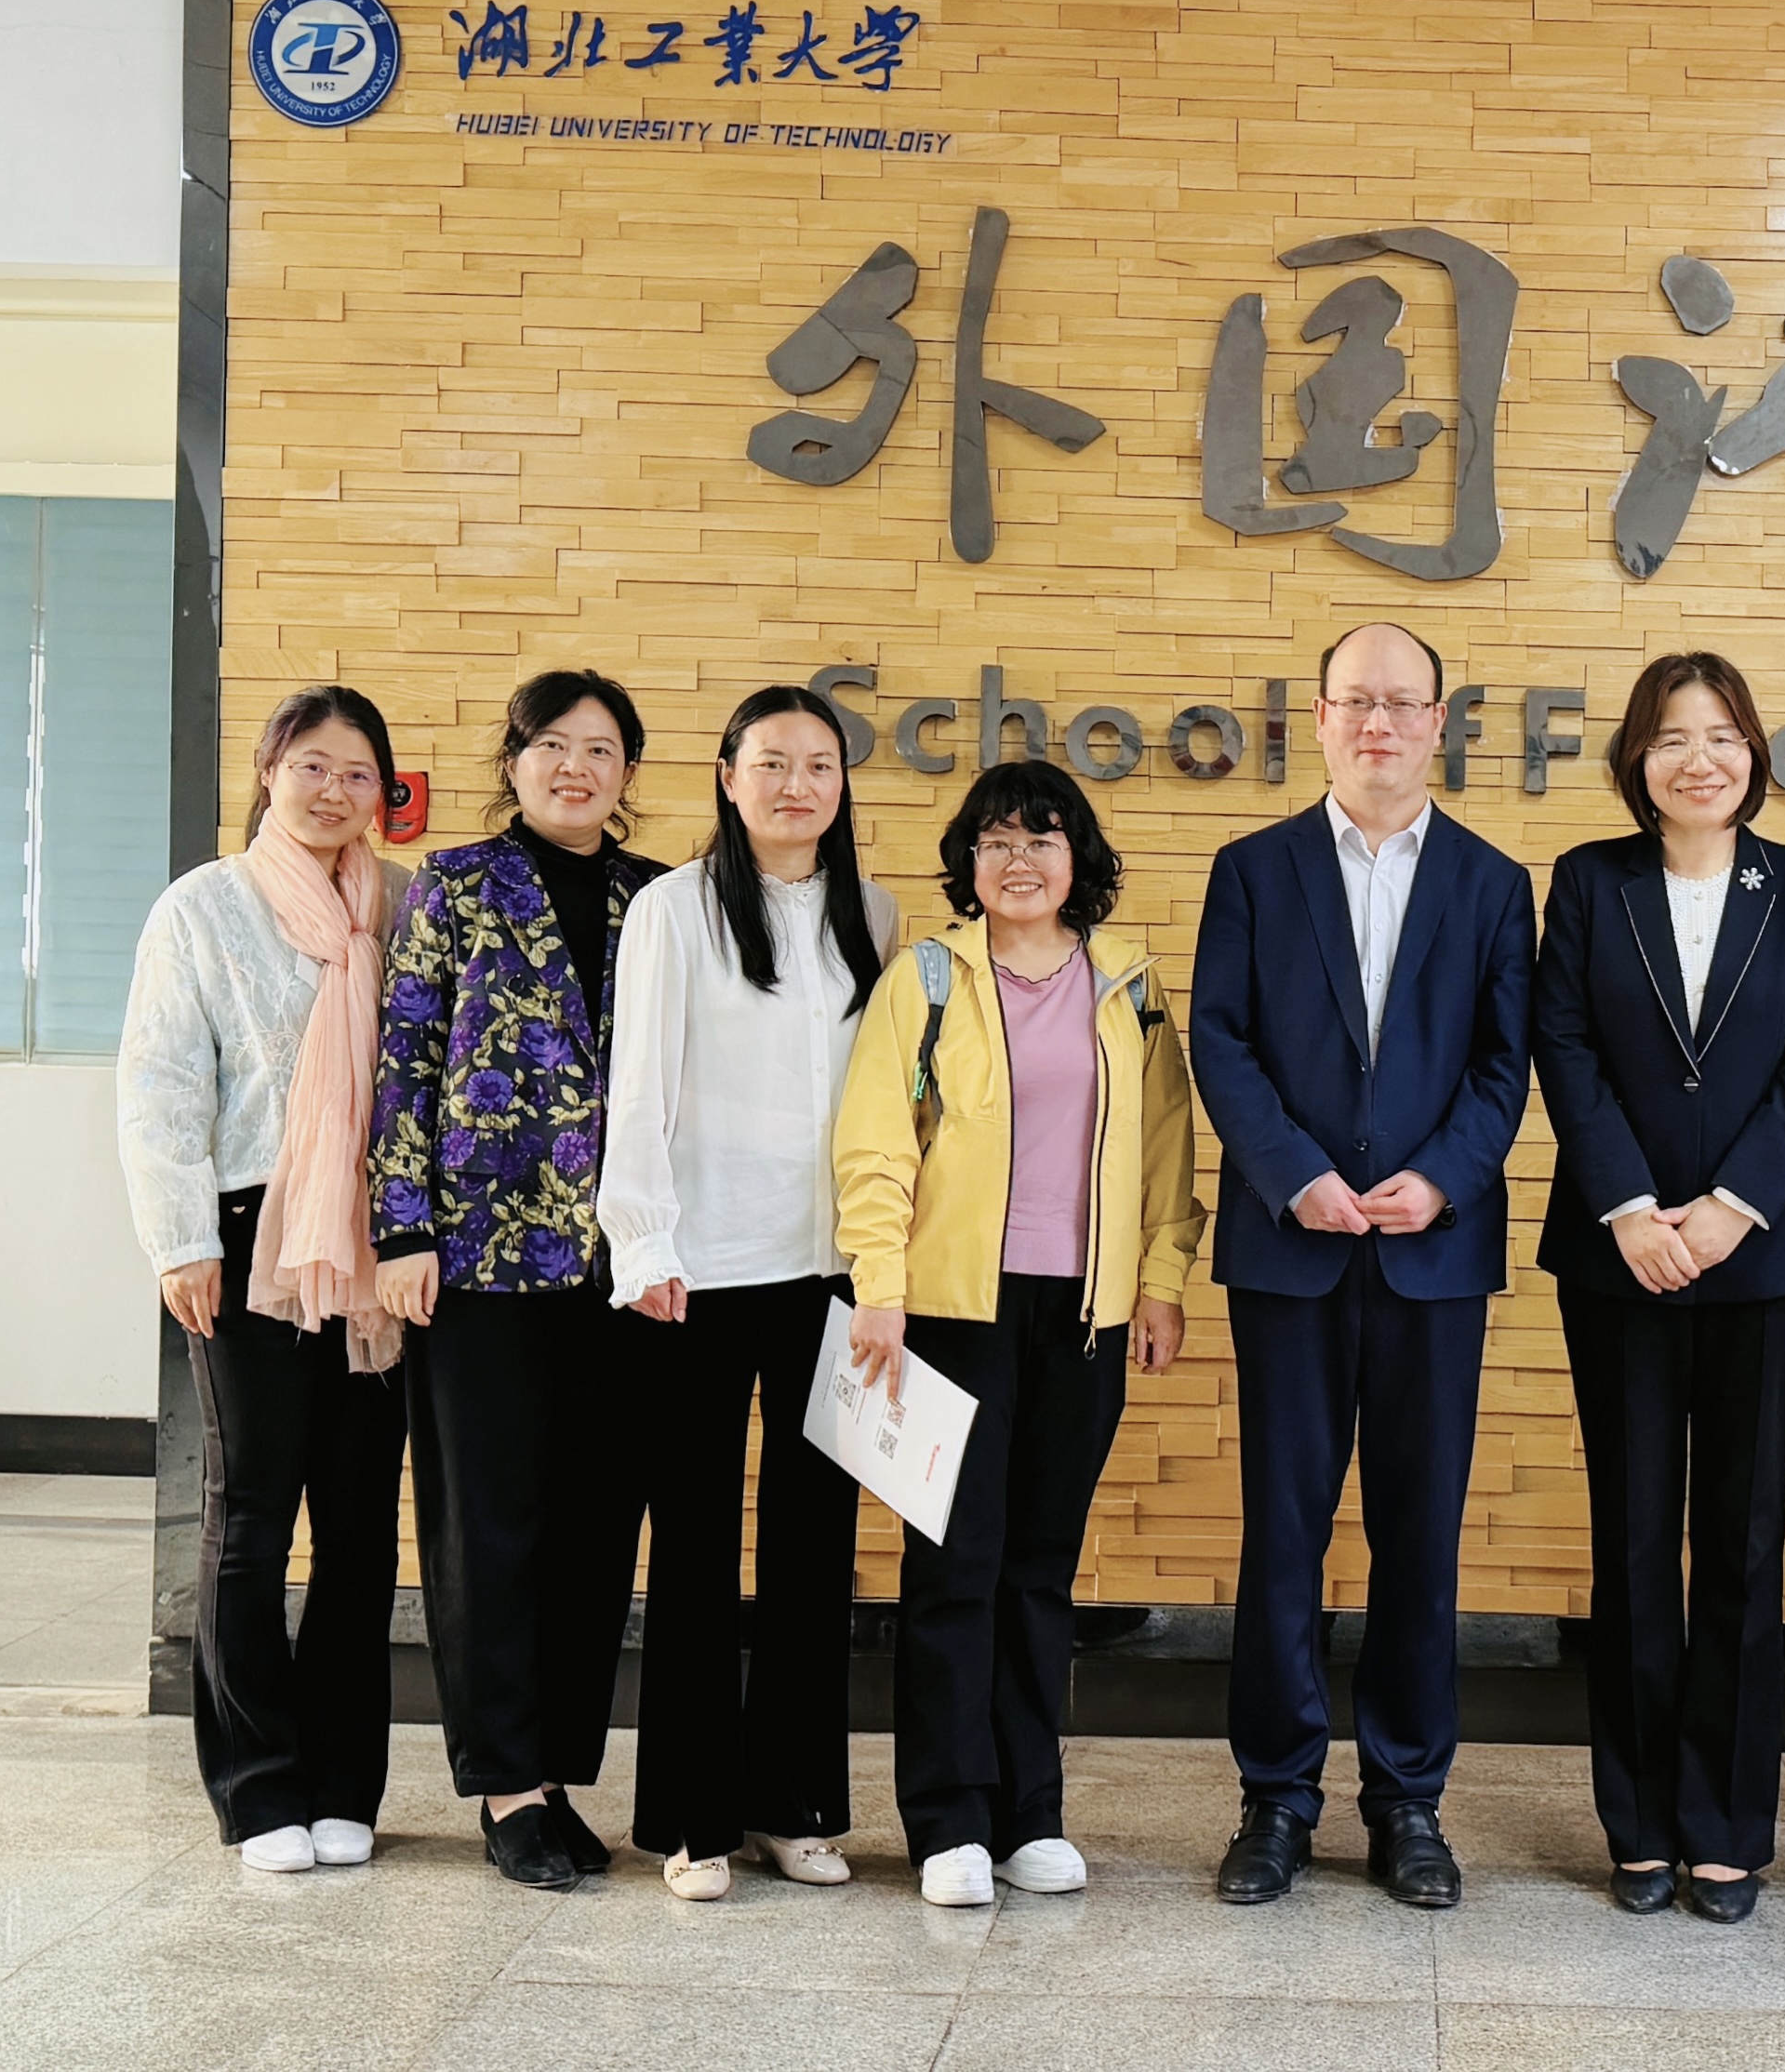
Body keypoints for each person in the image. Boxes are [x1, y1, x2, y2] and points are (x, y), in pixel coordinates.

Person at [1190, 620, 1536, 1912]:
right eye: (1356, 700)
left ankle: (1406, 1799)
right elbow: (1221, 1039)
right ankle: (1276, 1796)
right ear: (1319, 720)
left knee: (1419, 1534)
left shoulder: (1495, 881)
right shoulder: (1252, 868)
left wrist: (1442, 1175)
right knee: (1282, 1530)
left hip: (1433, 1252)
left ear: (1440, 721)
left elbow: (1505, 1059)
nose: (1378, 721)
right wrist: (1295, 1173)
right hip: (1291, 1248)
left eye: (1403, 701)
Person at [834, 757, 1201, 1909]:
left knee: (1040, 1568)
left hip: (1083, 1314)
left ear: (1077, 857)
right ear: (970, 860)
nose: (1019, 859)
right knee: (955, 1567)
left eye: (1043, 837)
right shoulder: (926, 977)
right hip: (953, 1309)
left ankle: (1029, 1812)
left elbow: (1168, 1148)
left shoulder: (1128, 984)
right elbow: (876, 1140)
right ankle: (949, 1818)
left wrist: (1160, 1280)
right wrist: (879, 1282)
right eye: (995, 840)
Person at [1531, 652, 1785, 1921]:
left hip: (1758, 1258)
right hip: (1616, 1256)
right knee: (1630, 1540)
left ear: (1754, 753)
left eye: (1721, 735)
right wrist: (1627, 1205)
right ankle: (1639, 1821)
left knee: (1743, 1540)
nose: (1698, 757)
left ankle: (1725, 1824)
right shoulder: (1588, 879)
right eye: (1671, 737)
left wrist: (1731, 1206)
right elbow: (1564, 1042)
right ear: (1637, 759)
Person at [598, 685, 901, 1900]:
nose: (794, 784)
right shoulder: (673, 909)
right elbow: (638, 1087)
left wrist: (887, 1262)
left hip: (832, 1269)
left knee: (814, 1545)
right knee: (696, 1544)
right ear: (728, 775)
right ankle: (691, 1818)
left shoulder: (872, 912)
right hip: (700, 1268)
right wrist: (643, 1242)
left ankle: (795, 1805)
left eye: (818, 763)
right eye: (770, 762)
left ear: (843, 782)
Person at [368, 668, 663, 1892]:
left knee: (595, 1524)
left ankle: (558, 1770)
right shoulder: (454, 883)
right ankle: (506, 1784)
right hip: (481, 1253)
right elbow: (405, 1054)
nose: (574, 766)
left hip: (622, 1263)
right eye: (552, 744)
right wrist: (400, 1229)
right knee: (489, 1520)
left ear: (628, 772)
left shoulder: (661, 898)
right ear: (514, 759)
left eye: (599, 748)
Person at [116, 686, 413, 1876]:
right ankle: (255, 1784)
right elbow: (160, 1083)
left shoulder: (403, 903)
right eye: (313, 766)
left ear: (383, 790)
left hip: (378, 1245)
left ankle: (343, 1781)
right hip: (247, 1235)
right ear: (268, 769)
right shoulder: (203, 906)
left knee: (360, 1526)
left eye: (358, 772)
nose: (335, 790)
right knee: (249, 1515)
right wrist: (179, 1238)